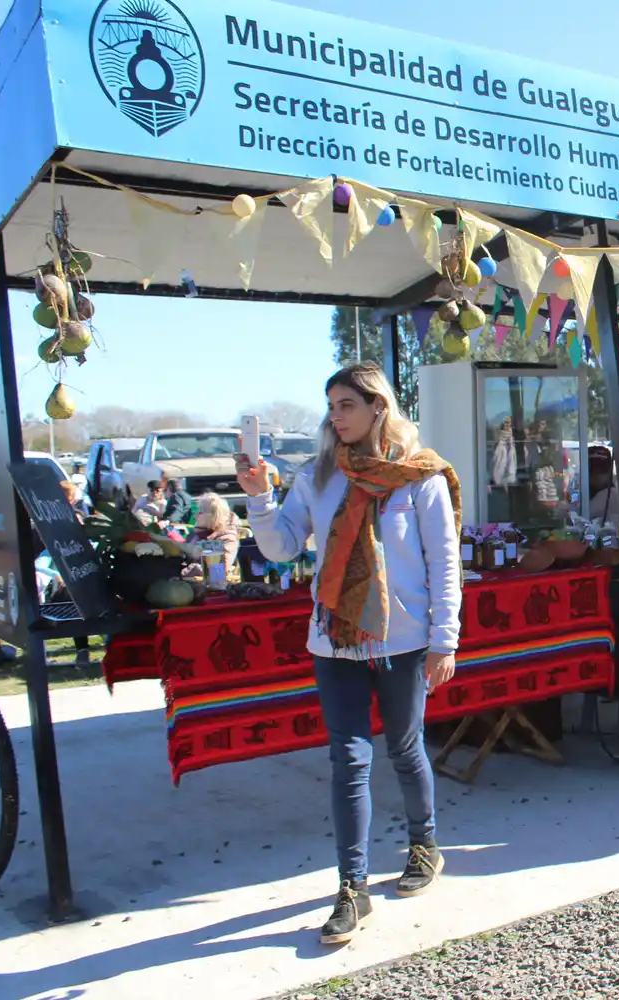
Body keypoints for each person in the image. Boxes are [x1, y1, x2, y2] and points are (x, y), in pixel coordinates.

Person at [240, 361, 462, 947]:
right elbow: (282, 547)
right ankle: (352, 886)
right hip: (334, 640)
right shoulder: (317, 476)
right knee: (348, 757)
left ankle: (424, 844)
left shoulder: (418, 477)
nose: (336, 416)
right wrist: (260, 500)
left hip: (405, 640)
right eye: (331, 406)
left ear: (378, 408)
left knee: (405, 747)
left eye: (347, 405)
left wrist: (446, 640)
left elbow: (444, 565)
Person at [194, 492, 241, 580]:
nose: (195, 515)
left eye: (200, 512)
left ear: (214, 516)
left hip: (215, 584)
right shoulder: (199, 533)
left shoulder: (227, 537)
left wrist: (189, 569)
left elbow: (219, 570)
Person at [585, 445, 619, 529]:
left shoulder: (610, 495)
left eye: (602, 471)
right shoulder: (586, 491)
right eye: (592, 471)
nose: (597, 476)